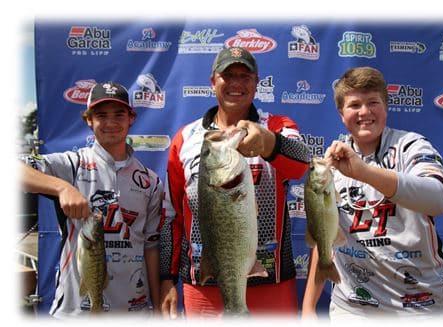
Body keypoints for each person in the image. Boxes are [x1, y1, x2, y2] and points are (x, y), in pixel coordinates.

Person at [159, 46, 311, 318]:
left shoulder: (277, 125)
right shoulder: (186, 137)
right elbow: (173, 216)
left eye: (245, 76)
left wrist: (269, 142)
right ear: (213, 81)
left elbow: (301, 165)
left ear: (256, 84)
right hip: (204, 282)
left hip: (272, 280)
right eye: (227, 76)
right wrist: (166, 279)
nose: (236, 84)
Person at [301, 67, 443, 318]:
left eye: (373, 102)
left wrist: (364, 172)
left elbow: (438, 199)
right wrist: (308, 308)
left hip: (421, 307)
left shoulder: (411, 146)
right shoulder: (330, 164)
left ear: (386, 106)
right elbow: (323, 233)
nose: (364, 112)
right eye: (354, 105)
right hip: (351, 309)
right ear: (341, 114)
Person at [20, 82, 162, 317]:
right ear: (88, 119)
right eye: (101, 115)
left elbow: (151, 247)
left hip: (135, 312)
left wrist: (157, 307)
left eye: (119, 114)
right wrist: (61, 187)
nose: (111, 123)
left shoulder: (150, 180)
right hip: (75, 312)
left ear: (131, 118)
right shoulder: (71, 165)